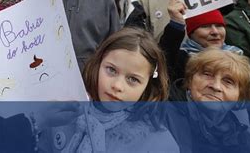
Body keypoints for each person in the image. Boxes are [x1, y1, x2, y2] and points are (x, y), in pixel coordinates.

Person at [41, 28, 177, 152]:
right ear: (98, 64)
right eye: (111, 70)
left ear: (148, 85)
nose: (117, 86)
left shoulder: (158, 143)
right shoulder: (64, 115)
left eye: (133, 79)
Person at [167, 49, 250, 153]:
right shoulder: (164, 115)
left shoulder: (241, 136)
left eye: (228, 81)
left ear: (240, 96)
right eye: (207, 74)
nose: (216, 86)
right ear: (189, 80)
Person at [160, 0, 243, 82]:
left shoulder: (237, 56)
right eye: (205, 27)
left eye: (219, 26)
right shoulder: (180, 60)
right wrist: (176, 23)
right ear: (191, 34)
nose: (215, 32)